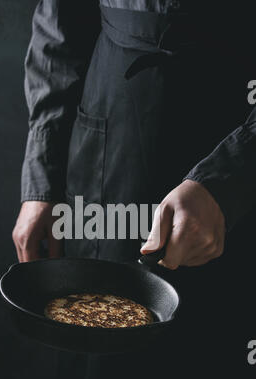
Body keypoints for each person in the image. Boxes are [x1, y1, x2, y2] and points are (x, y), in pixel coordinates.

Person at [13, 0, 256, 270]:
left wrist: (229, 180)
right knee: (99, 297)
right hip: (111, 132)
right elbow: (61, 22)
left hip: (236, 124)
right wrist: (43, 181)